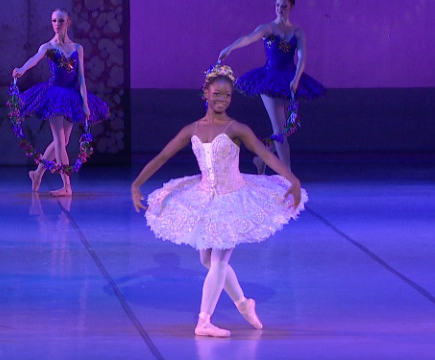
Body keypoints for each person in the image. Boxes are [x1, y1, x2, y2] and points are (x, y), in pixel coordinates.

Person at [130, 65, 307, 337]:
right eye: (217, 94)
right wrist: (137, 183)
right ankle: (243, 303)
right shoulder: (192, 129)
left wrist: (292, 179)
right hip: (204, 197)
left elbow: (267, 155)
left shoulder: (237, 128)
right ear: (206, 94)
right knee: (207, 260)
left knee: (219, 261)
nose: (222, 99)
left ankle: (204, 320)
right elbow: (163, 156)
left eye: (227, 95)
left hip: (233, 199)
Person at [218, 0, 325, 174]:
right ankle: (287, 174)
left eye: (284, 6)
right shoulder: (268, 28)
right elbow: (247, 38)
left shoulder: (297, 33)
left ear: (291, 7)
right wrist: (230, 48)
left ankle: (261, 159)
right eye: (277, 5)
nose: (280, 9)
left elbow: (302, 58)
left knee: (284, 130)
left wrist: (296, 79)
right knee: (280, 130)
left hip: (289, 80)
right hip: (269, 79)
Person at [12, 8, 109, 196]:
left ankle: (38, 172)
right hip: (54, 95)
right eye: (54, 21)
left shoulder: (77, 48)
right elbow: (34, 59)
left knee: (63, 142)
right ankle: (67, 186)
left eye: (61, 21)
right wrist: (22, 69)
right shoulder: (48, 47)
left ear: (68, 23)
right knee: (58, 141)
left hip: (72, 96)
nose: (57, 24)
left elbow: (80, 78)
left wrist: (85, 102)